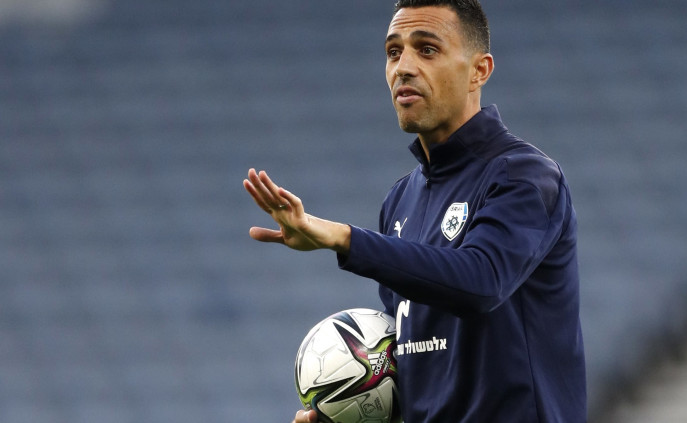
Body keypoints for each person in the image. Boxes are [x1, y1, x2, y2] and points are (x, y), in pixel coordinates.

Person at [244, 0, 586, 421]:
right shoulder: (401, 200)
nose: (403, 67)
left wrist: (345, 239)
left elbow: (482, 282)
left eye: (426, 49)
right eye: (394, 52)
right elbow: (419, 378)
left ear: (479, 70)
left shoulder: (524, 176)